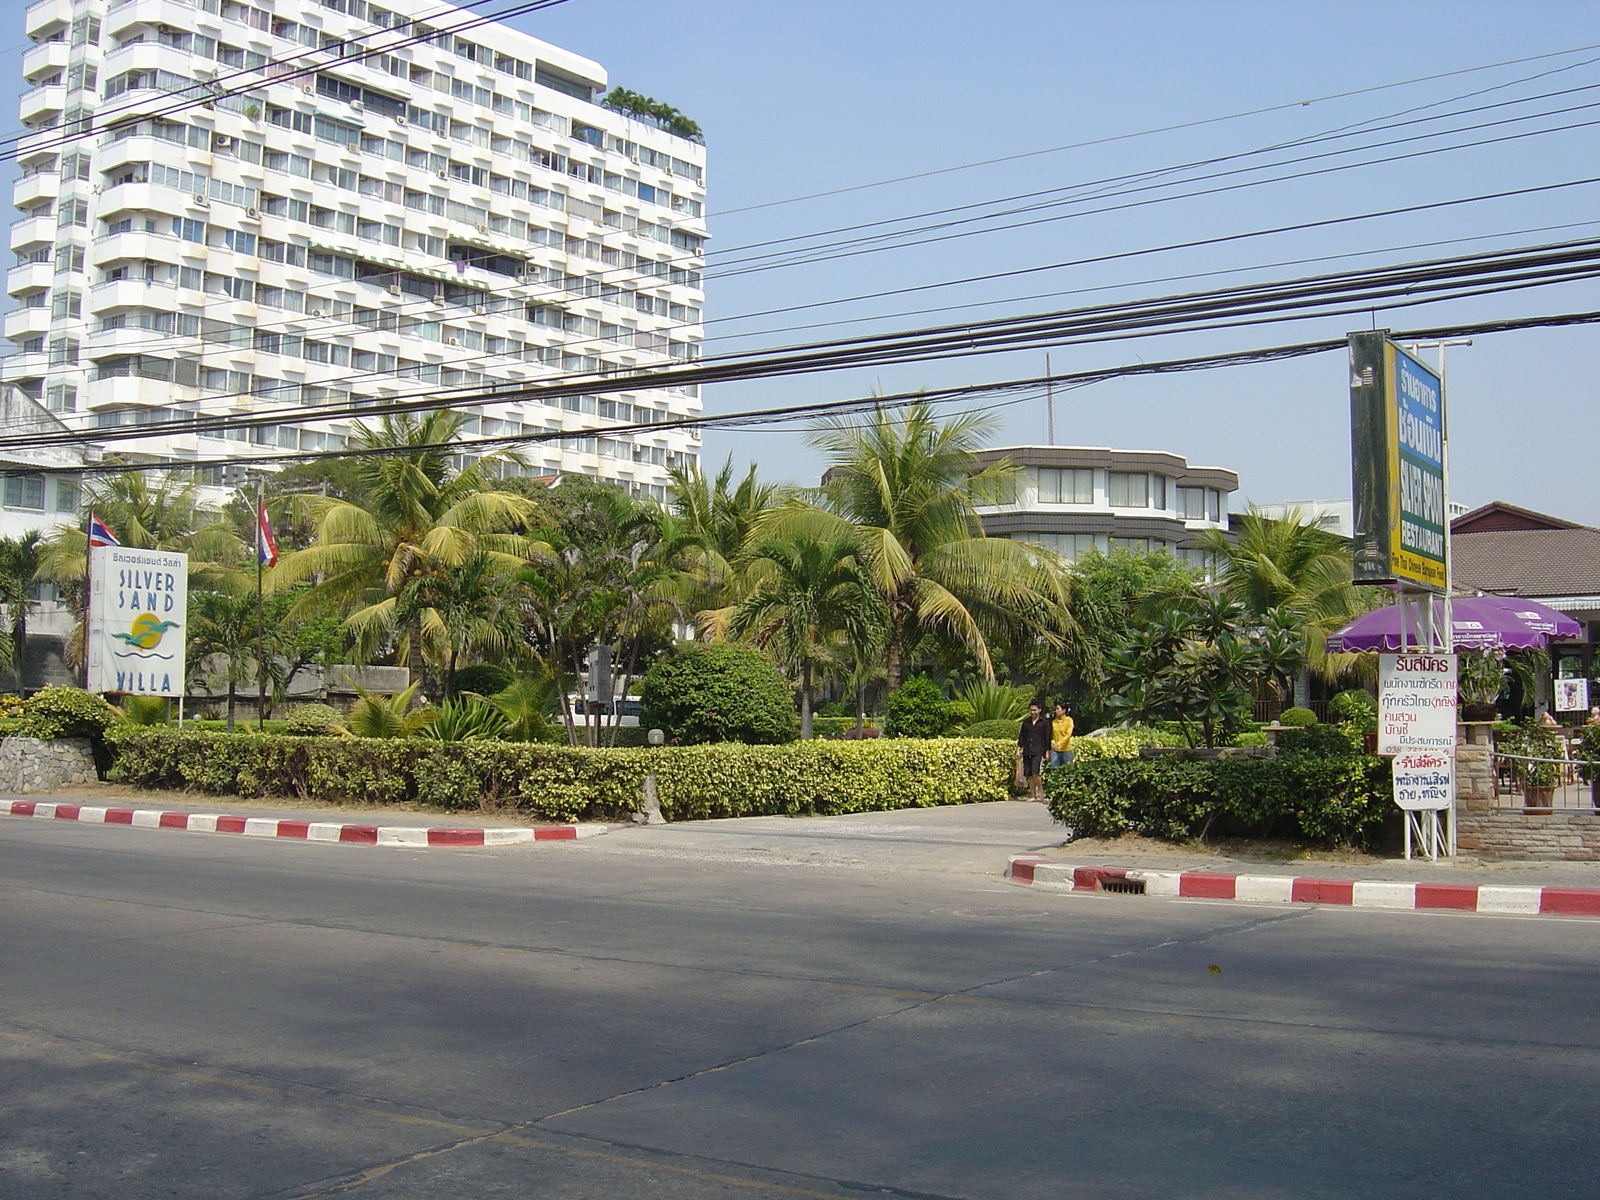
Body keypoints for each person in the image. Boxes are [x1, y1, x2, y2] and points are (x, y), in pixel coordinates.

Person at [1017, 700, 1052, 803]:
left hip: (1038, 750)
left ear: (1039, 710)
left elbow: (1047, 738)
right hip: (1027, 750)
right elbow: (1022, 737)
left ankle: (1041, 794)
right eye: (1031, 710)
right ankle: (1033, 795)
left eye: (1034, 710)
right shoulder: (1026, 722)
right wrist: (1018, 749)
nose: (1032, 712)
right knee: (1029, 774)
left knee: (1035, 773)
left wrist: (1047, 751)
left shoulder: (1044, 723)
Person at [1050, 702, 1075, 768]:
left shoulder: (1069, 720)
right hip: (1055, 751)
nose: (1056, 711)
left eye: (1058, 709)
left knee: (1069, 770)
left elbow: (1068, 735)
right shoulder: (1054, 722)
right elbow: (1053, 735)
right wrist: (1053, 743)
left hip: (1066, 750)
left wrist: (1059, 744)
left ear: (1064, 711)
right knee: (1054, 770)